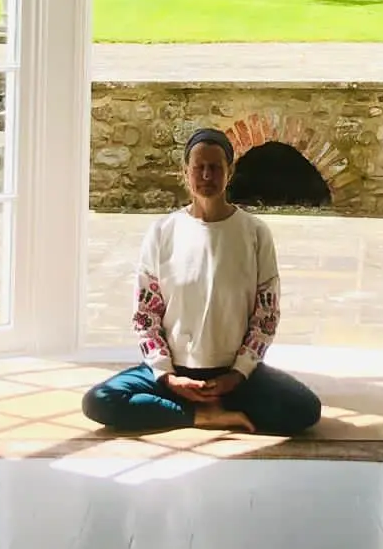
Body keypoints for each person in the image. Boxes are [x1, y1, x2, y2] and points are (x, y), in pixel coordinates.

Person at [82, 128, 322, 435]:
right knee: (100, 401)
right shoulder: (162, 232)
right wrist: (167, 375)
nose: (207, 175)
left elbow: (266, 316)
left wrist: (239, 373)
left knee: (304, 409)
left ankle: (205, 406)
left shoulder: (255, 233)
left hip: (233, 376)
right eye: (199, 167)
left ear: (230, 172)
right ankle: (201, 415)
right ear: (185, 172)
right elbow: (146, 317)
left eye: (215, 167)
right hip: (175, 373)